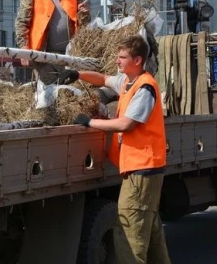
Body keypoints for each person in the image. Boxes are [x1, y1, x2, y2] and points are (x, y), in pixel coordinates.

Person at [50, 34, 171, 264]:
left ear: (137, 60)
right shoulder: (128, 82)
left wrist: (90, 123)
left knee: (129, 231)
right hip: (142, 170)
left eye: (122, 57)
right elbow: (104, 79)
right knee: (150, 229)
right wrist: (78, 74)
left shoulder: (145, 89)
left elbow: (125, 124)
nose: (117, 61)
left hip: (142, 171)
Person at [14, 0, 90, 67]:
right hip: (42, 55)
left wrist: (85, 13)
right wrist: (24, 49)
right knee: (47, 84)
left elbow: (85, 25)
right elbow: (21, 23)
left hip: (70, 55)